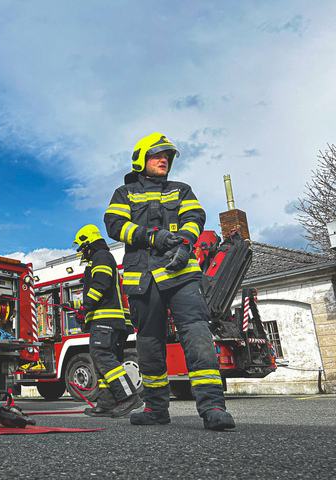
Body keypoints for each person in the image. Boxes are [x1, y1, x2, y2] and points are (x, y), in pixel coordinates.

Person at [103, 133, 235, 431]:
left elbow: (195, 217)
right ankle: (156, 409)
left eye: (168, 156)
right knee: (149, 345)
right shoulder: (124, 193)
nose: (164, 159)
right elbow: (114, 224)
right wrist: (152, 237)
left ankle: (213, 407)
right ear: (141, 159)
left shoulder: (181, 189)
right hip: (143, 279)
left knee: (197, 335)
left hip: (181, 275)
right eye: (157, 155)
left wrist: (185, 244)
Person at [66, 224, 143, 418]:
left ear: (88, 245)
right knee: (102, 360)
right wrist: (83, 310)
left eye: (82, 249)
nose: (82, 253)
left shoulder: (100, 257)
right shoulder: (101, 258)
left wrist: (85, 306)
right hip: (107, 321)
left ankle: (129, 397)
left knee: (103, 357)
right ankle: (106, 403)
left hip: (105, 320)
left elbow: (101, 283)